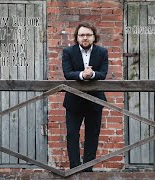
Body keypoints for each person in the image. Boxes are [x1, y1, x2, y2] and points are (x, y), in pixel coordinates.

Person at [61, 22, 108, 172]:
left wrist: (92, 74)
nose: (85, 38)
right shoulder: (68, 52)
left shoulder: (102, 52)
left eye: (88, 35)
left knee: (92, 137)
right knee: (72, 135)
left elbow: (103, 74)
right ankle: (75, 169)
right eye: (81, 35)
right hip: (73, 101)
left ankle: (88, 170)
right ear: (77, 37)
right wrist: (82, 75)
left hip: (95, 101)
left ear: (94, 37)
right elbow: (68, 74)